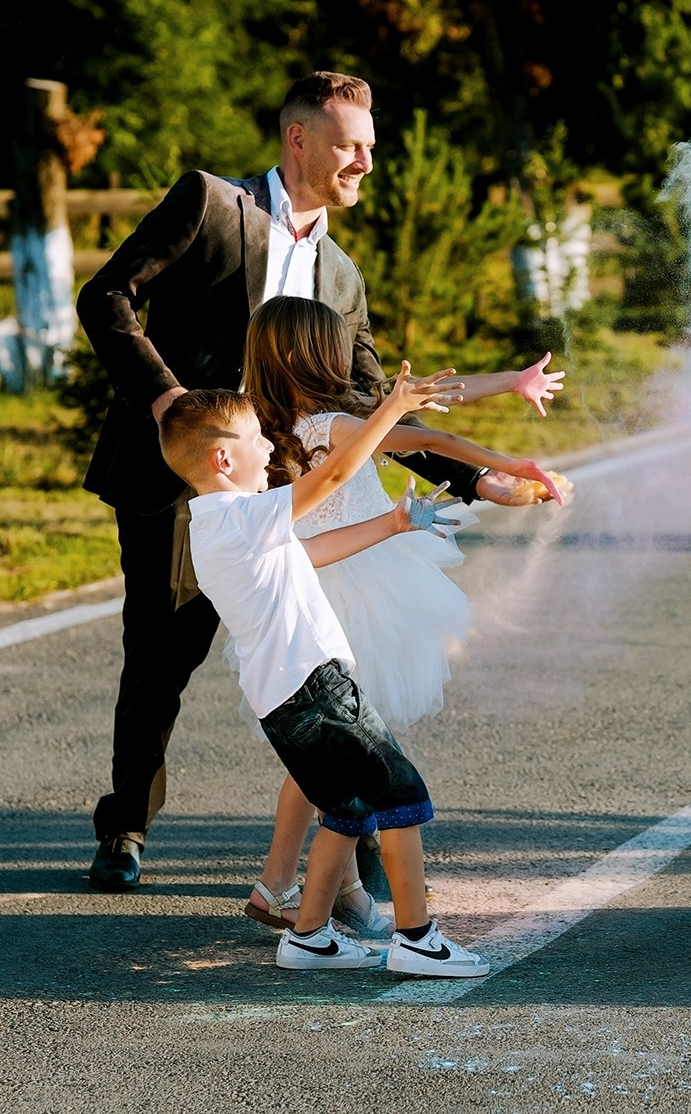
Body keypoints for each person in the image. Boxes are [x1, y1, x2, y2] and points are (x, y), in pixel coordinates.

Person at [77, 71, 565, 892]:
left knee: (325, 659)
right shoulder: (210, 205)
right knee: (160, 651)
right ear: (299, 139)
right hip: (182, 473)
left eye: (370, 147)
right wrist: (171, 404)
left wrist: (480, 481)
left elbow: (376, 409)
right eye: (351, 145)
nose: (365, 163)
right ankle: (126, 821)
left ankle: (356, 828)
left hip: (292, 489)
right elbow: (107, 296)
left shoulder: (342, 278)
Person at [235, 295, 571, 935]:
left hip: (308, 585)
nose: (345, 354)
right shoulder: (330, 425)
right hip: (356, 591)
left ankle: (319, 886)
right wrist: (507, 465)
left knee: (326, 751)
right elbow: (431, 434)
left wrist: (514, 381)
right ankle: (282, 886)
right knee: (339, 751)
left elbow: (442, 396)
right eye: (335, 344)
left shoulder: (268, 426)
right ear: (309, 354)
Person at [162, 373, 489, 974]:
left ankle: (309, 936)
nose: (270, 448)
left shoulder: (216, 528)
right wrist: (392, 407)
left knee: (347, 806)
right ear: (222, 458)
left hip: (283, 699)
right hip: (316, 689)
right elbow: (335, 473)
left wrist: (393, 524)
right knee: (402, 794)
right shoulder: (242, 517)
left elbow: (308, 555)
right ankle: (418, 940)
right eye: (258, 438)